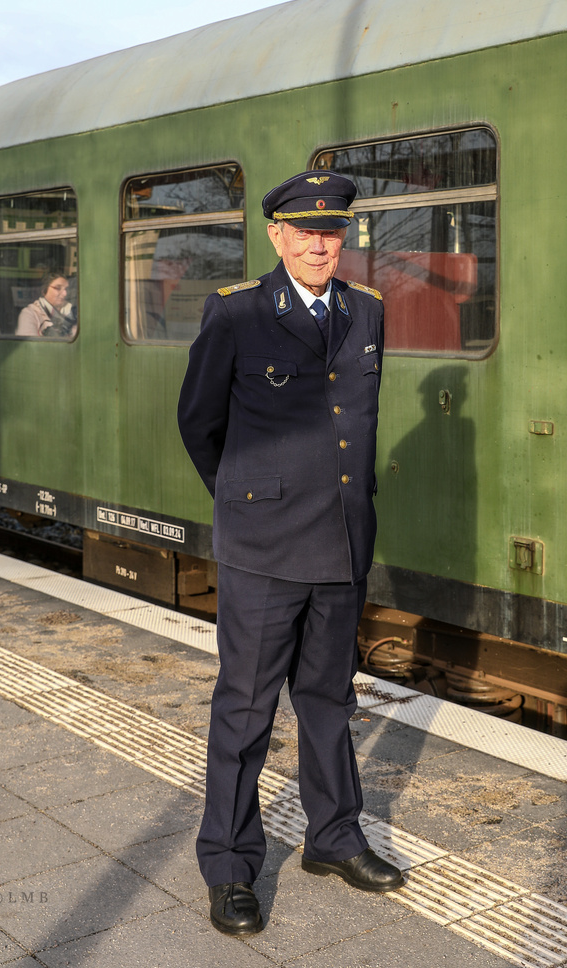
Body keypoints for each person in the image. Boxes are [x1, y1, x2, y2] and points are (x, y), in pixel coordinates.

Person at [177, 170, 403, 937]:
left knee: (329, 701)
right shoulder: (238, 313)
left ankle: (333, 837)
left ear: (345, 238)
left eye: (331, 231)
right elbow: (199, 423)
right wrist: (248, 496)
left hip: (341, 542)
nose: (318, 243)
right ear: (275, 235)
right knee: (243, 710)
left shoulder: (367, 312)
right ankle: (231, 864)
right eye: (304, 230)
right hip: (265, 548)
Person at [16, 271, 77, 337]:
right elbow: (28, 346)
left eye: (67, 289)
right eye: (58, 288)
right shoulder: (30, 314)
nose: (65, 293)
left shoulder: (73, 312)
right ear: (44, 290)